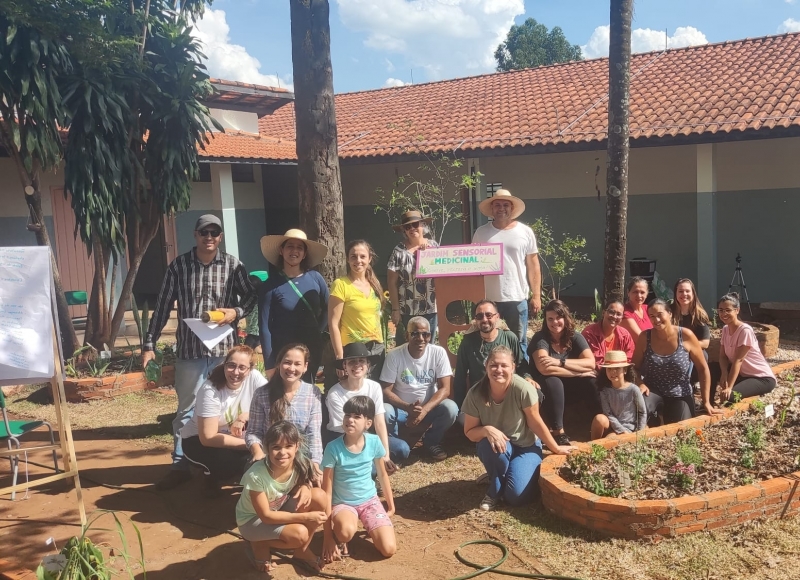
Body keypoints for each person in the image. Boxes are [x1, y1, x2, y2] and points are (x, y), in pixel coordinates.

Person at [143, 214, 257, 490]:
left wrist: (235, 311)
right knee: (186, 409)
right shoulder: (179, 266)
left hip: (223, 353)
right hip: (190, 351)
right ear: (195, 235)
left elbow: (253, 296)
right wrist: (148, 344)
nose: (209, 237)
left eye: (214, 233)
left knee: (227, 407)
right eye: (204, 232)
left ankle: (220, 465)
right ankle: (180, 464)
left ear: (220, 237)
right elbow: (162, 307)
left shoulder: (233, 265)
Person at [462, 346, 574, 511]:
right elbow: (470, 432)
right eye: (493, 365)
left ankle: (498, 476)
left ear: (513, 367)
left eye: (504, 365)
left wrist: (555, 448)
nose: (498, 370)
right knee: (493, 446)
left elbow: (535, 422)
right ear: (486, 366)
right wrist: (487, 429)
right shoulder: (476, 393)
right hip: (497, 447)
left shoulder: (523, 389)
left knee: (516, 497)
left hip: (525, 447)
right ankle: (494, 492)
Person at [236, 421, 328, 574]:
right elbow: (266, 516)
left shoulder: (300, 463)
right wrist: (306, 517)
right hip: (252, 520)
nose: (282, 453)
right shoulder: (256, 475)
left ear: (296, 447)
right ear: (266, 448)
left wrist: (305, 486)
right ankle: (259, 542)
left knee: (319, 496)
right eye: (276, 447)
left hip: (278, 507)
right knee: (300, 533)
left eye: (288, 446)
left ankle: (301, 551)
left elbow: (302, 482)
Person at [180, 345, 266, 497]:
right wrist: (252, 445)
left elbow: (272, 405)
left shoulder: (254, 377)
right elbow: (208, 437)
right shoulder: (210, 390)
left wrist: (245, 416)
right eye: (231, 366)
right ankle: (209, 476)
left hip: (236, 436)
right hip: (198, 440)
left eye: (242, 367)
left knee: (259, 456)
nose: (236, 372)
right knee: (229, 463)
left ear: (250, 369)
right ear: (225, 364)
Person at [322, 396, 396, 562]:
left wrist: (391, 506)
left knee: (388, 549)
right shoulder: (333, 448)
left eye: (357, 416)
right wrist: (328, 537)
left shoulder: (374, 442)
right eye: (347, 415)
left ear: (368, 423)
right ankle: (342, 533)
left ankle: (371, 523)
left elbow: (383, 475)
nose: (350, 420)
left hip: (369, 501)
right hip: (343, 503)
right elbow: (326, 491)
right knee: (346, 532)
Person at [472, 189, 541, 354]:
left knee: (519, 343)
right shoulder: (481, 233)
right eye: (497, 205)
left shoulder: (525, 232)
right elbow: (472, 264)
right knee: (487, 342)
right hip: (488, 299)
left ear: (512, 208)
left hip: (516, 298)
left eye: (505, 205)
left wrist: (536, 295)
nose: (501, 208)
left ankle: (521, 376)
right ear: (492, 208)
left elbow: (533, 265)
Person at [379, 317, 458, 462]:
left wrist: (424, 411)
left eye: (425, 334)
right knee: (385, 411)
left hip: (429, 407)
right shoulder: (395, 355)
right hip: (401, 409)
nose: (421, 338)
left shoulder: (438, 353)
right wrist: (407, 407)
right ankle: (396, 446)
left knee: (451, 408)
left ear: (430, 336)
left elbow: (445, 389)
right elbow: (385, 390)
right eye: (415, 334)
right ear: (407, 335)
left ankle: (432, 441)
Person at [632, 299, 722, 424]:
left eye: (660, 315)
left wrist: (706, 401)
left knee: (680, 428)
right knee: (639, 412)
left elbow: (703, 369)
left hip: (679, 392)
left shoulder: (686, 335)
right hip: (653, 389)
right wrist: (640, 382)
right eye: (652, 316)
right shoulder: (645, 337)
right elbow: (634, 367)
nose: (656, 320)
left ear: (670, 313)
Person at [246, 344, 323, 484]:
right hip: (272, 456)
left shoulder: (313, 393)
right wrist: (258, 453)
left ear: (305, 367)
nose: (292, 368)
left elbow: (314, 434)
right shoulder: (262, 394)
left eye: (297, 364)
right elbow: (253, 432)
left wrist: (315, 464)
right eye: (287, 362)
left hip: (301, 458)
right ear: (278, 364)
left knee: (316, 497)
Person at [259, 229, 329, 383]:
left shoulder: (316, 278)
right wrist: (269, 363)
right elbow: (264, 326)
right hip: (283, 352)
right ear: (281, 250)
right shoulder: (270, 285)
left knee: (307, 390)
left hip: (311, 349)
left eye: (299, 248)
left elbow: (328, 309)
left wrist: (319, 330)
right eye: (290, 246)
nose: (294, 251)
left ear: (304, 254)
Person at [528, 300, 598, 446]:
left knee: (591, 380)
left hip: (569, 387)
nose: (555, 322)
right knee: (554, 381)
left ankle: (599, 421)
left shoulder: (575, 337)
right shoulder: (540, 339)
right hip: (546, 387)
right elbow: (544, 368)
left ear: (565, 318)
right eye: (550, 319)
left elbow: (591, 363)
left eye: (558, 318)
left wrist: (561, 362)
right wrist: (577, 373)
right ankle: (558, 432)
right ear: (545, 320)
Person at [325, 342, 396, 475]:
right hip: (341, 436)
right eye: (352, 362)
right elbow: (347, 427)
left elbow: (379, 421)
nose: (357, 365)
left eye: (361, 361)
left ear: (368, 365)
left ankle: (376, 469)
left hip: (366, 433)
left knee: (401, 449)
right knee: (375, 466)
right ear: (344, 366)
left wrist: (385, 454)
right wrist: (377, 451)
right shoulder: (335, 393)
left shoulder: (374, 387)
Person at [453, 300, 533, 407]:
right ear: (475, 320)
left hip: (508, 395)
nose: (484, 319)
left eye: (489, 315)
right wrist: (460, 407)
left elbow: (522, 365)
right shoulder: (468, 342)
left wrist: (527, 378)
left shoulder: (509, 337)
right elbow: (460, 377)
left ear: (497, 317)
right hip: (480, 398)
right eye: (479, 316)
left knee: (536, 394)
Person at [328, 240, 385, 385]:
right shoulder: (341, 285)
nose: (358, 260)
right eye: (353, 256)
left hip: (376, 349)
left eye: (362, 256)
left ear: (369, 259)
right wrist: (340, 357)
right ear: (347, 259)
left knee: (373, 392)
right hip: (353, 351)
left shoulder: (374, 284)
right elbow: (333, 323)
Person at [387, 210, 439, 346]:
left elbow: (443, 275)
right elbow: (391, 282)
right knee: (406, 347)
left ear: (422, 225)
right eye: (407, 227)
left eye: (415, 224)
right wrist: (395, 309)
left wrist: (429, 253)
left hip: (430, 308)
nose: (412, 229)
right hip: (407, 310)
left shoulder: (434, 246)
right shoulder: (399, 251)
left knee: (428, 347)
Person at [717, 292, 776, 403]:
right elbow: (722, 356)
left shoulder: (745, 331)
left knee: (730, 397)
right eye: (721, 310)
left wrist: (729, 387)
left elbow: (738, 361)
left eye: (728, 310)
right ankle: (707, 404)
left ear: (737, 310)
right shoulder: (725, 329)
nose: (724, 313)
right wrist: (724, 374)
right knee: (712, 369)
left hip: (761, 378)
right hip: (743, 375)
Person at [590, 351, 648, 439]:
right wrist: (621, 430)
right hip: (614, 428)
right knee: (599, 419)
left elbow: (642, 412)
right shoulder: (605, 391)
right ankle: (593, 447)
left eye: (617, 368)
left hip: (631, 428)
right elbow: (608, 414)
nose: (613, 372)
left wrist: (639, 432)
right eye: (609, 369)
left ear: (625, 370)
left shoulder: (633, 389)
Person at [582, 299, 635, 369]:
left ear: (622, 318)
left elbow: (630, 358)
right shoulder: (589, 333)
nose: (614, 316)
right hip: (596, 374)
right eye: (611, 312)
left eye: (619, 314)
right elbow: (596, 362)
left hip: (619, 373)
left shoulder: (625, 335)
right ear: (604, 313)